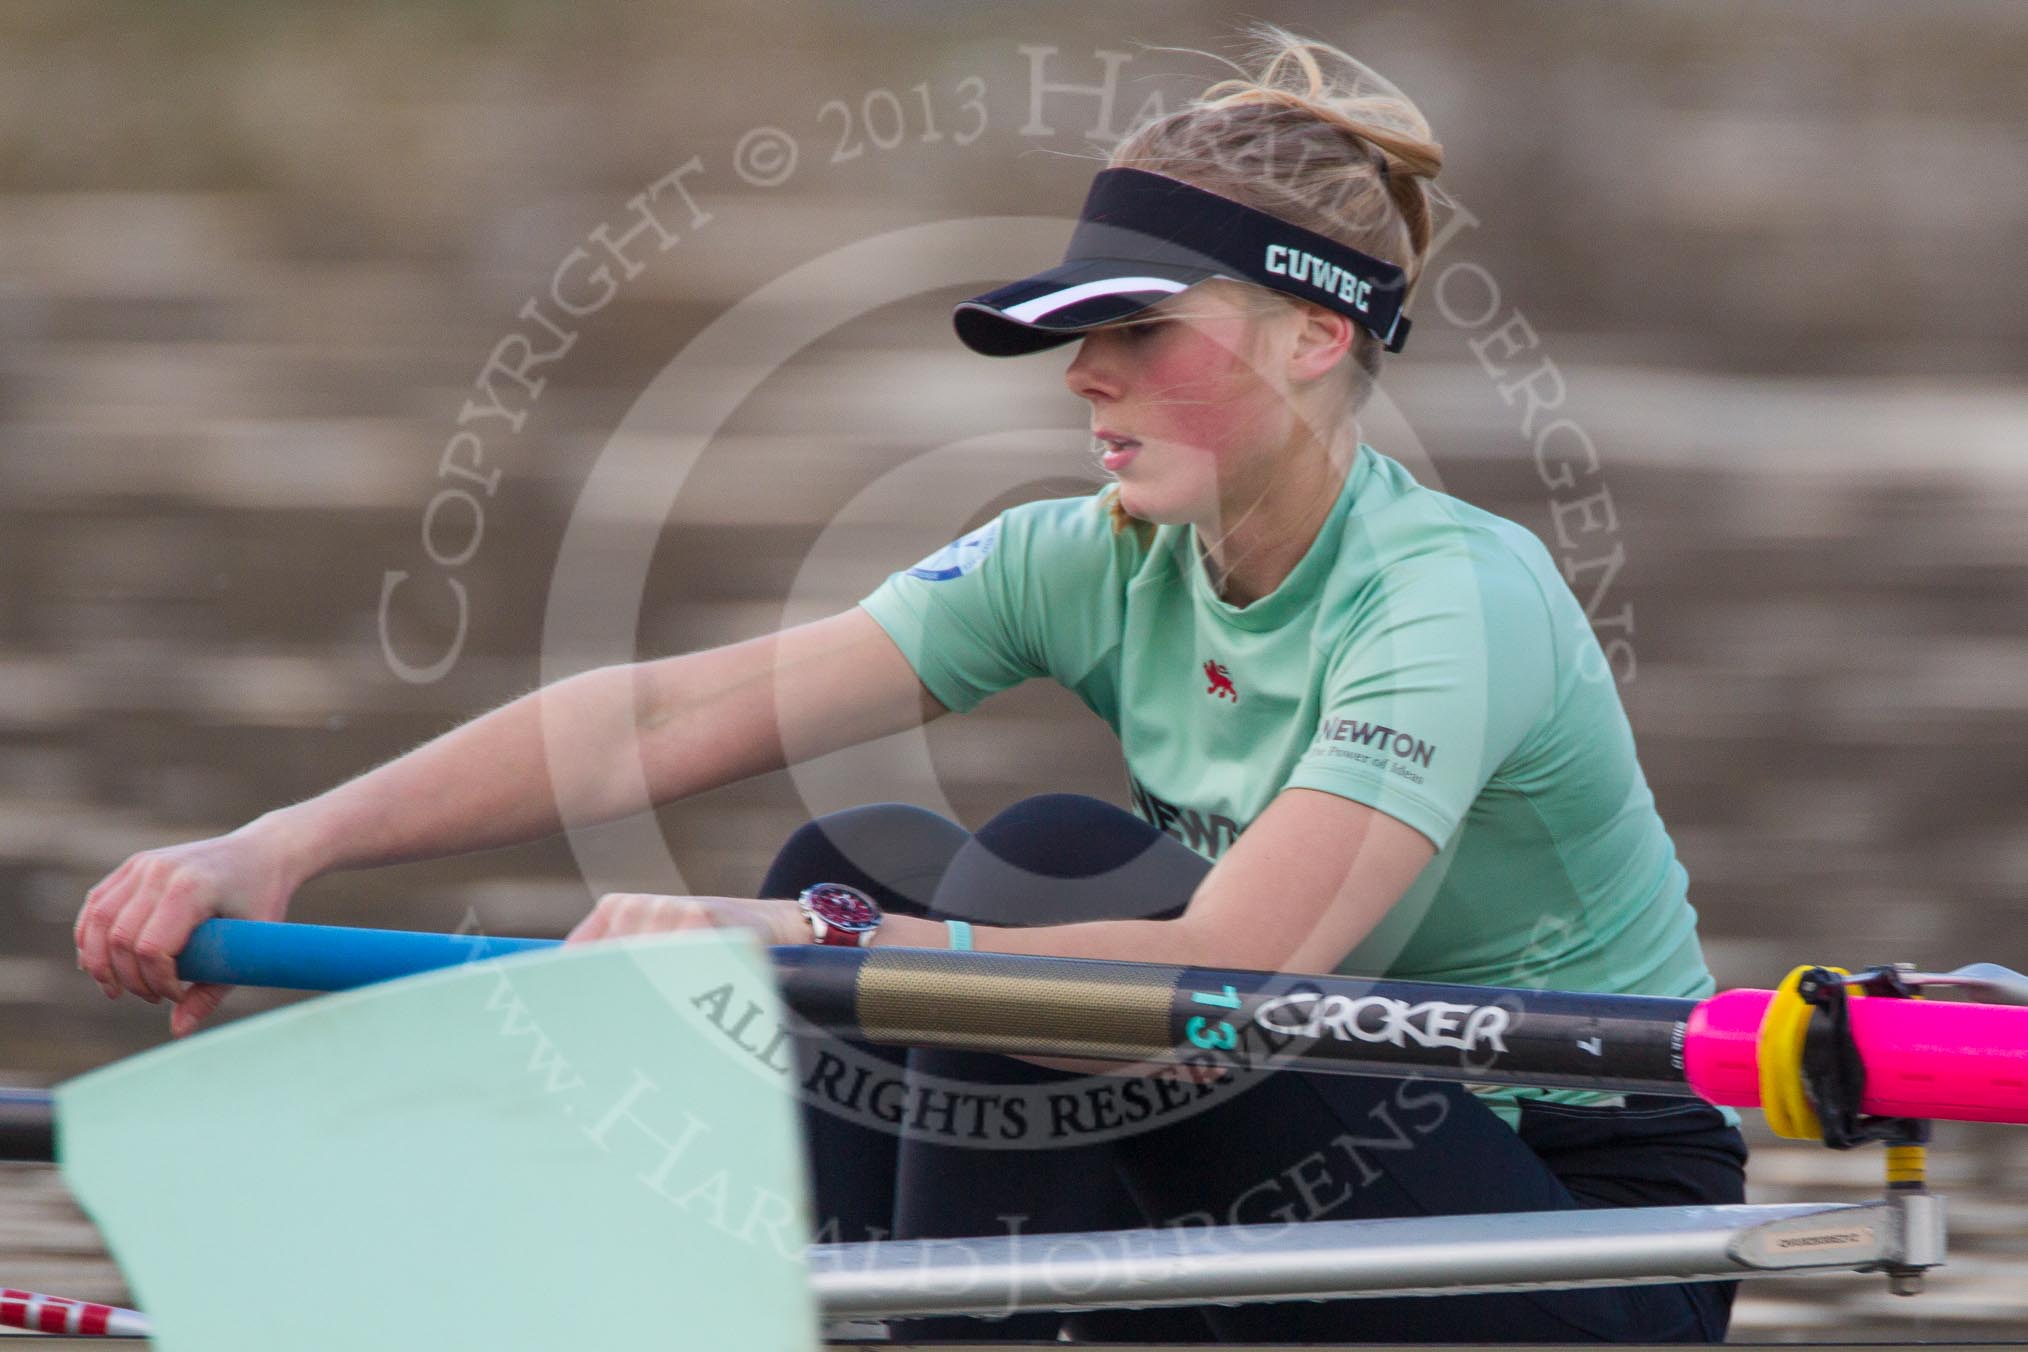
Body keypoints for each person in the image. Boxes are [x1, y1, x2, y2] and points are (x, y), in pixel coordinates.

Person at [74, 26, 1745, 1344]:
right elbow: (654, 719)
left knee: (1038, 876)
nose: (1084, 374)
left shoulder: (1449, 598)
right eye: (1073, 336)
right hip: (1323, 1144)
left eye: (1141, 331)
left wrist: (825, 956)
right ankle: (866, 1316)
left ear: (1315, 339)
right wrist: (276, 849)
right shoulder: (1083, 555)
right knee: (849, 860)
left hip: (1576, 1225)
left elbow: (1247, 966)